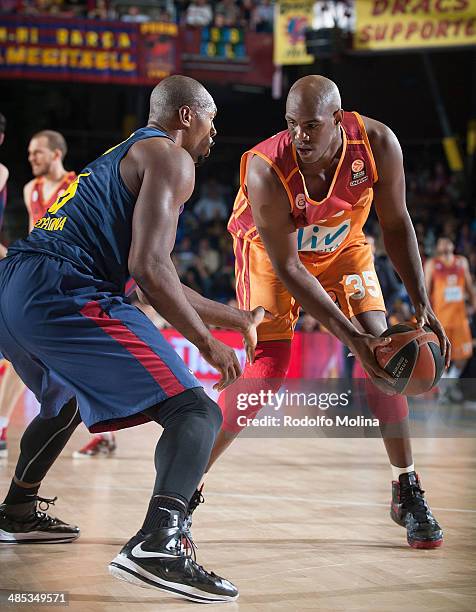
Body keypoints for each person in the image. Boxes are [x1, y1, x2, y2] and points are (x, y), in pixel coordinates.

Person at [0, 75, 266, 603]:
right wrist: (209, 344)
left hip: (15, 287)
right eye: (211, 118)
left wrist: (234, 319)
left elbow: (152, 273)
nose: (215, 131)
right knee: (196, 411)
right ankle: (159, 543)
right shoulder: (172, 156)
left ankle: (17, 509)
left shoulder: (124, 152)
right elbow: (149, 269)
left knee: (67, 402)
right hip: (65, 290)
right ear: (187, 116)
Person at [196, 75, 451, 550]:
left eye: (311, 125)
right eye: (292, 125)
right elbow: (290, 267)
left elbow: (396, 223)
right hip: (271, 257)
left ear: (337, 120)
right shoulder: (264, 166)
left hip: (344, 248)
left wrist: (420, 301)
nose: (300, 137)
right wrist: (348, 338)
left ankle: (406, 487)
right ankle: (185, 484)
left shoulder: (377, 143)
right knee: (268, 370)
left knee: (383, 353)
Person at [424, 237, 475, 401]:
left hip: (459, 318)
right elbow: (425, 289)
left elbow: (469, 286)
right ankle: (444, 390)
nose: (445, 244)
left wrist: (473, 303)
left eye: (448, 241)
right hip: (441, 318)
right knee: (442, 356)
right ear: (438, 247)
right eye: (441, 242)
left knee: (464, 355)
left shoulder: (461, 262)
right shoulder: (432, 264)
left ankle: (447, 385)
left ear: (453, 245)